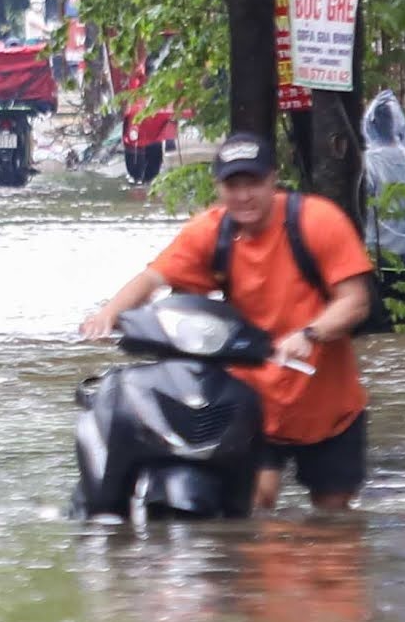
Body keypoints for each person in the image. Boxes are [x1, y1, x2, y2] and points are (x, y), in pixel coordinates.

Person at [77, 131, 380, 509]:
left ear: (273, 180)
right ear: (219, 187)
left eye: (253, 183)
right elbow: (154, 278)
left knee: (334, 519)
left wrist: (310, 333)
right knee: (256, 507)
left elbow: (355, 302)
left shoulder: (317, 222)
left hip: (328, 406)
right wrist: (109, 314)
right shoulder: (211, 231)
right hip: (255, 403)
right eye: (232, 185)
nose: (243, 196)